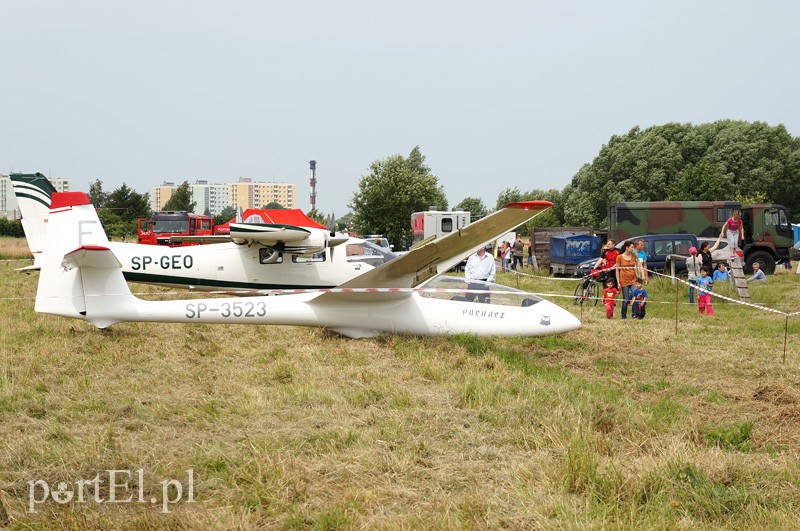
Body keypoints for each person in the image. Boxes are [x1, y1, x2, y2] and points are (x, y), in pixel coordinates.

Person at [615, 240, 638, 320]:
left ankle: (634, 315)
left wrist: (642, 275)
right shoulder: (619, 257)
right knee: (626, 298)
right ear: (627, 247)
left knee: (636, 295)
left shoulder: (634, 255)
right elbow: (617, 270)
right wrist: (618, 282)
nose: (633, 249)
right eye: (632, 247)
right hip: (623, 280)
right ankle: (623, 315)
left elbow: (639, 265)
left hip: (633, 279)